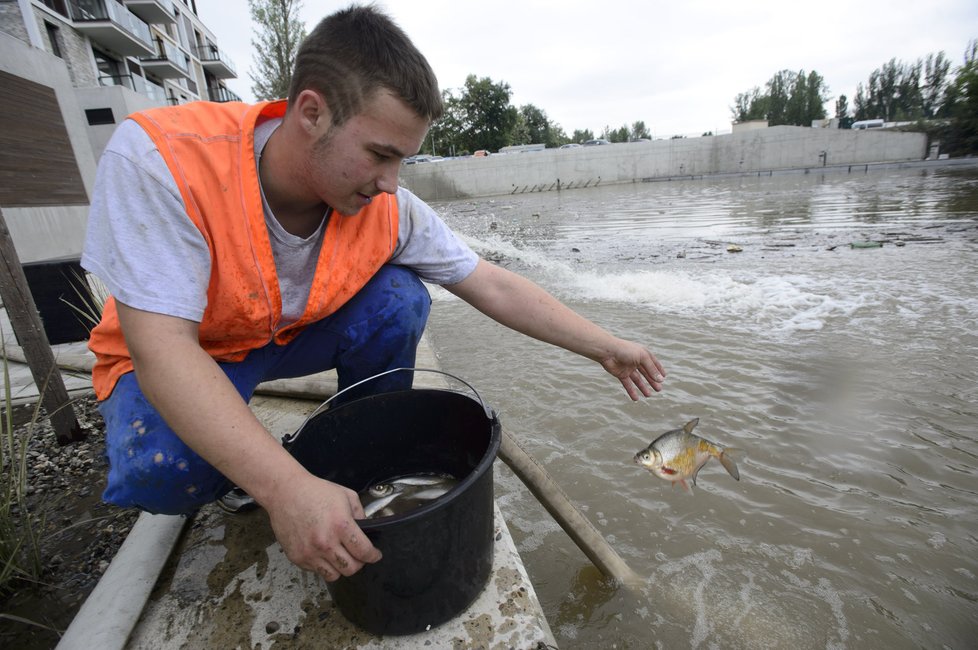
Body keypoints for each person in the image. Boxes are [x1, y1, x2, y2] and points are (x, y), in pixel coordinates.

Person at [81, 5, 666, 584]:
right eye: (380, 155)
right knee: (165, 472)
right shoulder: (162, 161)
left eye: (402, 160)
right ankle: (263, 476)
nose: (391, 183)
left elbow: (490, 283)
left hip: (280, 339)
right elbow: (164, 352)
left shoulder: (387, 206)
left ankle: (360, 454)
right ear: (311, 111)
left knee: (401, 298)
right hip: (187, 354)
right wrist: (284, 489)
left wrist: (605, 346)